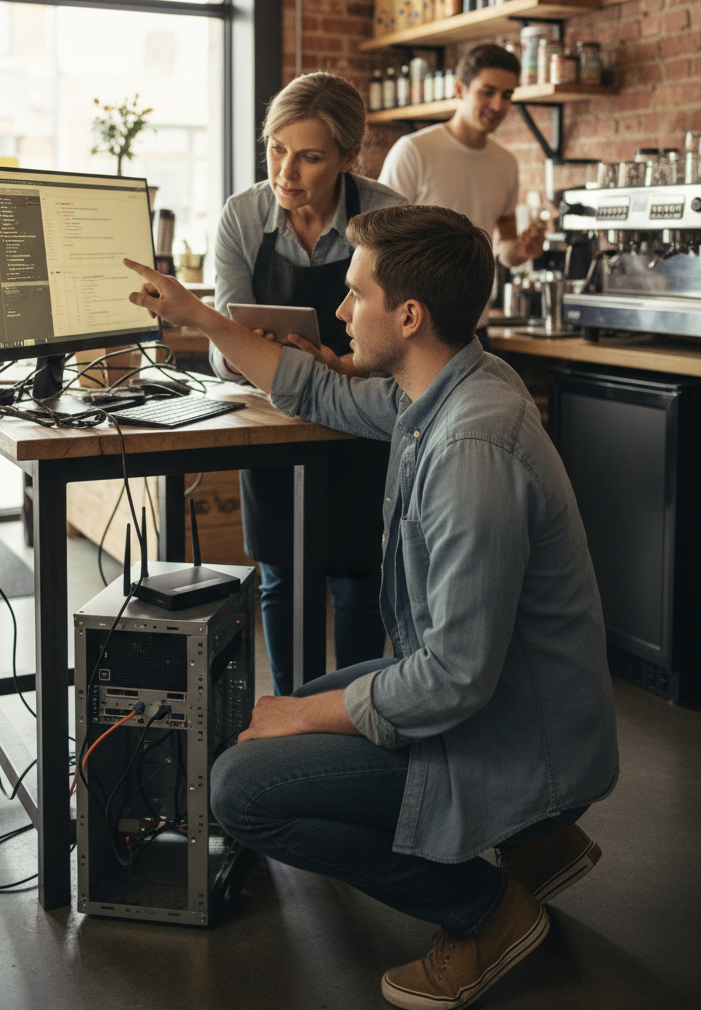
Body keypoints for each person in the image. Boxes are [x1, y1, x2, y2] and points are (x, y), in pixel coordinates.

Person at [124, 207, 618, 1010]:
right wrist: (198, 315)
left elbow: (453, 681)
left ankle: (488, 910)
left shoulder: (469, 452)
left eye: (356, 296)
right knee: (297, 705)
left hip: (511, 730)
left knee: (244, 788)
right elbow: (312, 385)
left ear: (410, 316)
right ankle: (535, 844)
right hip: (511, 702)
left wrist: (307, 717)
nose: (342, 313)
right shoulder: (451, 384)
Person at [210, 71, 405, 695]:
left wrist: (342, 364)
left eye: (310, 156)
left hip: (362, 421)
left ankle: (350, 718)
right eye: (275, 148)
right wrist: (254, 355)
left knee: (356, 578)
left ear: (350, 158)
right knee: (282, 578)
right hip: (276, 427)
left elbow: (406, 341)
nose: (285, 171)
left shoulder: (388, 216)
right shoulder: (241, 218)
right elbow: (221, 353)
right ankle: (296, 714)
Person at [378, 42, 547, 348]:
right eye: (488, 91)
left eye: (507, 95)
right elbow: (378, 244)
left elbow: (505, 248)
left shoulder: (506, 163)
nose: (498, 105)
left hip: (475, 329)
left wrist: (523, 250)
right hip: (416, 330)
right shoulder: (413, 151)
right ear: (459, 89)